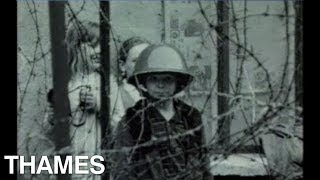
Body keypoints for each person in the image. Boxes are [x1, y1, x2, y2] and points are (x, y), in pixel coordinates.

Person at [112, 44, 212, 180]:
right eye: (154, 79)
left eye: (167, 79)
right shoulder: (132, 121)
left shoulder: (190, 117)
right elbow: (122, 172)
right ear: (144, 83)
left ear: (177, 83)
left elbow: (203, 165)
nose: (160, 85)